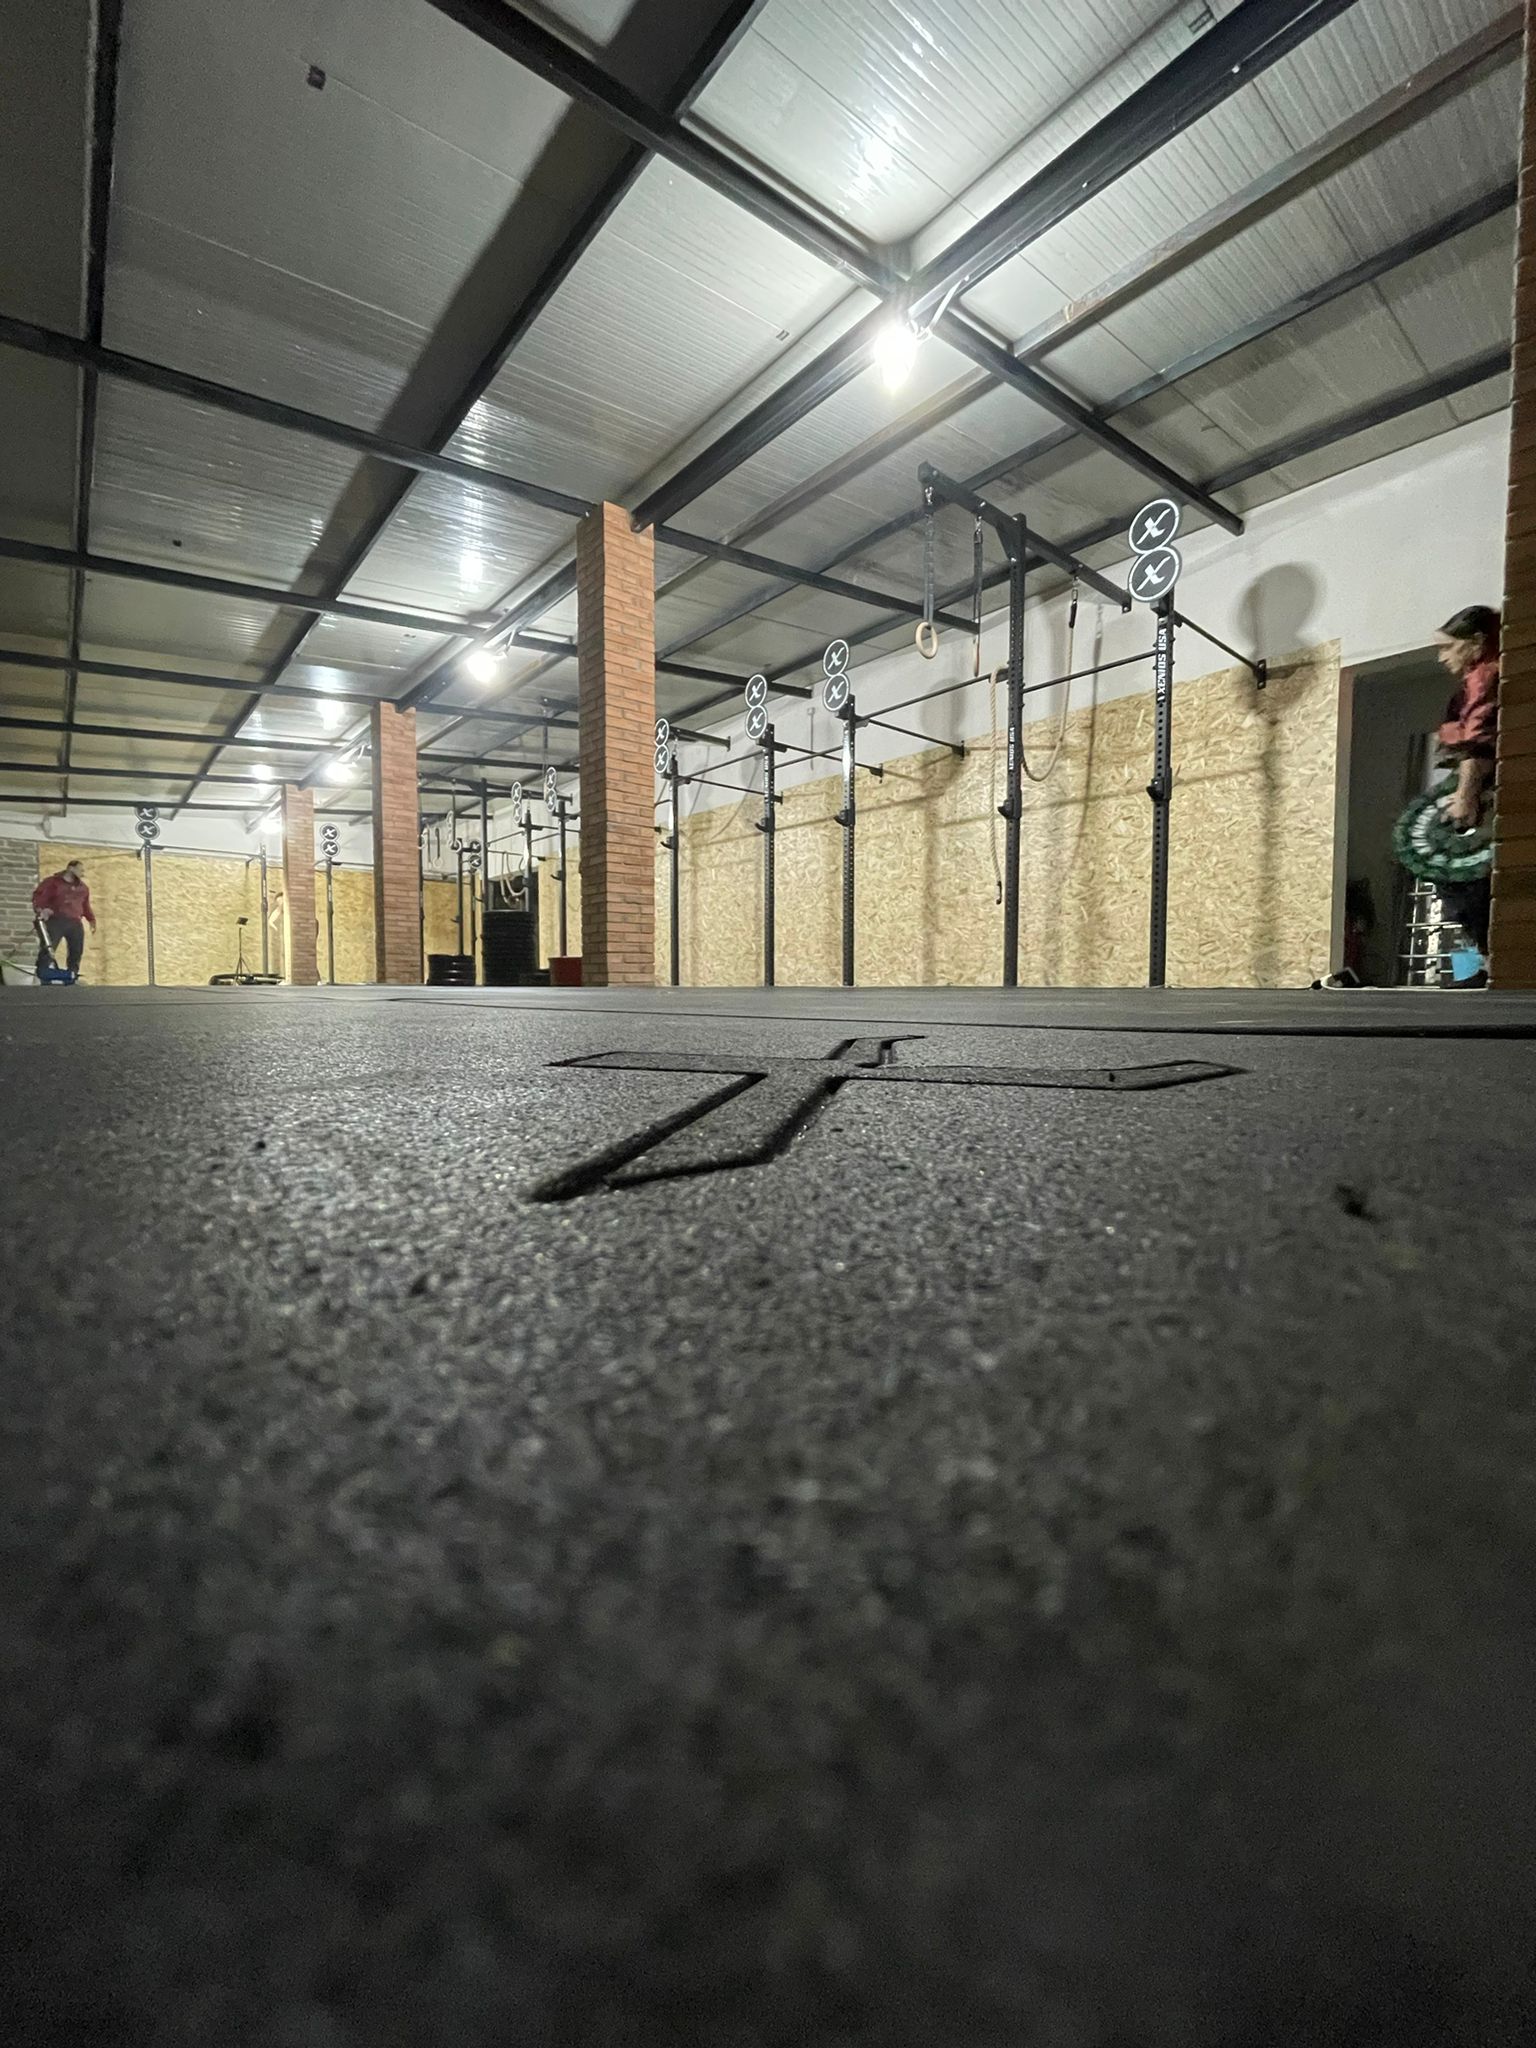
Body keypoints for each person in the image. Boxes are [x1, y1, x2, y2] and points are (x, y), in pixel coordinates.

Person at [1431, 603, 1500, 957]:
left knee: (1459, 881)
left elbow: (1479, 743)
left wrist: (1465, 796)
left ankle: (1483, 965)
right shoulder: (1472, 683)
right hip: (1475, 791)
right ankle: (1476, 967)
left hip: (1484, 798)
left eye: (1447, 647)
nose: (1441, 657)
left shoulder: (1485, 678)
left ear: (1475, 642)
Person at [33, 858, 96, 980]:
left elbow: (85, 905)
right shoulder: (52, 882)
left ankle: (72, 975)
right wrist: (41, 909)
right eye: (80, 870)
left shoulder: (83, 888)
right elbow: (39, 897)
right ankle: (42, 974)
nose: (82, 873)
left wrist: (91, 919)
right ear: (70, 868)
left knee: (76, 950)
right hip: (56, 920)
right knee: (48, 948)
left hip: (75, 922)